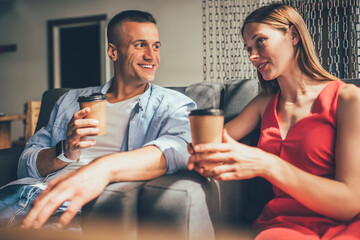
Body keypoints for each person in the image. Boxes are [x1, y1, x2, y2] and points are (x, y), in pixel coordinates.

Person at [0, 10, 195, 229]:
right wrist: (65, 149)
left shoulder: (173, 105)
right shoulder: (69, 100)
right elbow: (26, 165)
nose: (152, 55)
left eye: (156, 46)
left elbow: (179, 149)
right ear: (113, 51)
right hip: (23, 195)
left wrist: (101, 167)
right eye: (140, 45)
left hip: (87, 206)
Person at [188, 3, 360, 239]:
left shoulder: (348, 99)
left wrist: (268, 165)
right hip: (284, 226)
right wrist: (202, 155)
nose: (252, 56)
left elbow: (351, 202)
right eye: (248, 48)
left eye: (260, 41)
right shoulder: (263, 104)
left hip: (346, 224)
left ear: (293, 35)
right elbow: (216, 142)